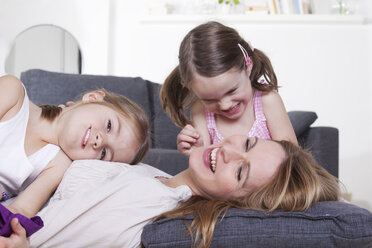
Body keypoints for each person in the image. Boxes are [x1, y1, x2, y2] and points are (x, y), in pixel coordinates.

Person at [0, 135, 339, 247]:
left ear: (239, 203)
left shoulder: (152, 205)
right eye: (247, 142)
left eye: (240, 170)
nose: (229, 151)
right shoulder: (156, 177)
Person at [0, 75, 150, 236]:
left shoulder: (58, 165)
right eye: (109, 126)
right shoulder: (13, 92)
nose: (99, 141)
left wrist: (16, 234)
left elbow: (22, 209)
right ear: (93, 98)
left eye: (104, 153)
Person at [160, 21, 298, 156]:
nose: (225, 105)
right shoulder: (201, 111)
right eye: (210, 100)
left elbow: (293, 160)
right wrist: (197, 152)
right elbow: (204, 172)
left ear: (248, 66)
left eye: (232, 91)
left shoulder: (267, 102)